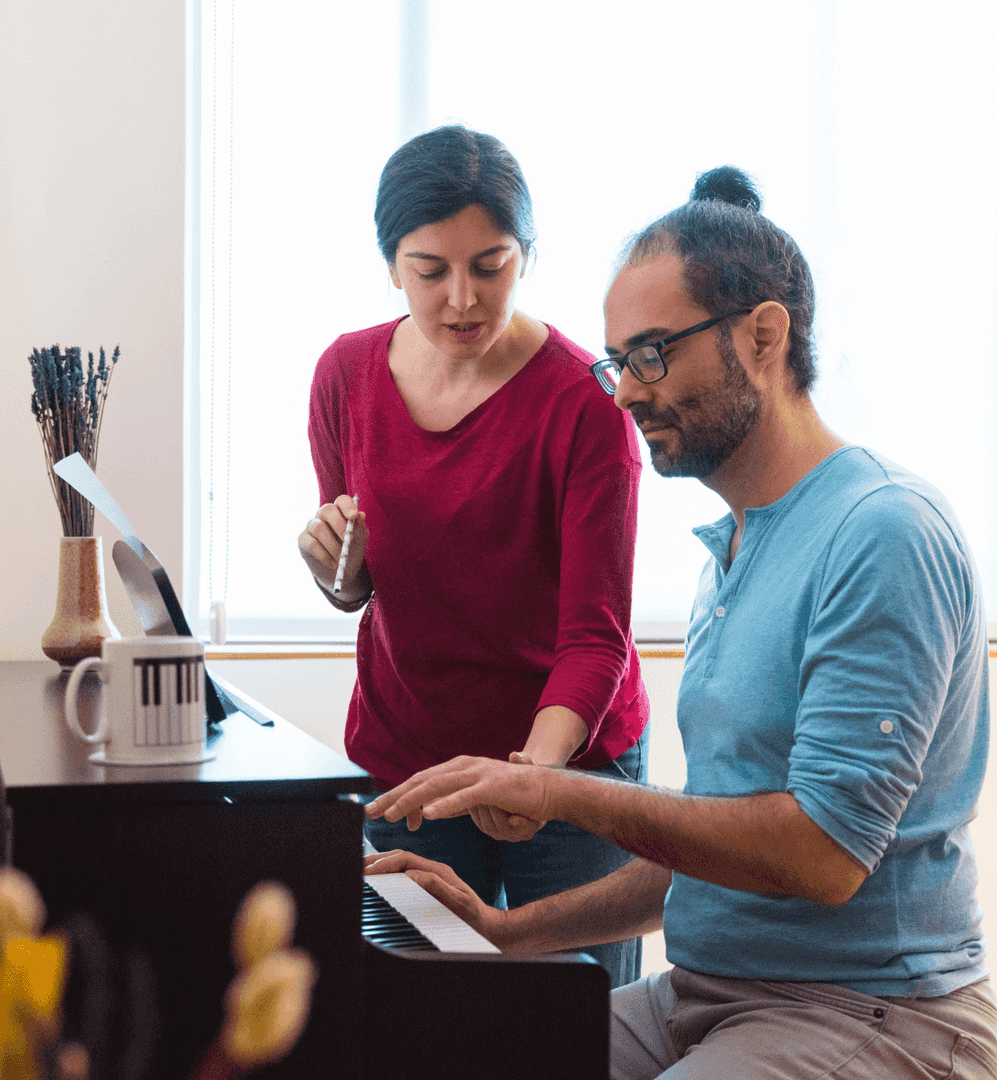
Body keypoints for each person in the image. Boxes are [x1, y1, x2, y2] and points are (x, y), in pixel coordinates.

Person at [364, 167, 997, 1079]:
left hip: (872, 1012)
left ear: (764, 336)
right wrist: (505, 933)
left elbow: (820, 856)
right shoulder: (736, 549)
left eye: (652, 354)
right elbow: (708, 851)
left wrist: (560, 791)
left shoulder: (881, 532)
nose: (623, 392)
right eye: (617, 360)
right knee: (445, 1054)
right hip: (706, 995)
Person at [297, 125, 650, 988]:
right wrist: (338, 571)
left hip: (564, 772)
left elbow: (595, 640)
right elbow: (366, 591)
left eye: (489, 266)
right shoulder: (345, 376)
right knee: (420, 1027)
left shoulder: (586, 404)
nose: (462, 298)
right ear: (391, 266)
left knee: (574, 1027)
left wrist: (533, 777)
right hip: (410, 765)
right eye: (431, 271)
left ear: (526, 256)